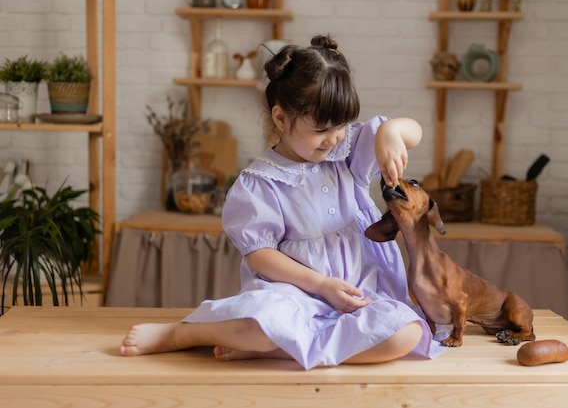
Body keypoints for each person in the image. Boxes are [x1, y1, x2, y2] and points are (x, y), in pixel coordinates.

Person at [119, 35, 435, 370]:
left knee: (407, 334)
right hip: (294, 295)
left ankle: (281, 350)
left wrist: (389, 133)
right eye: (322, 129)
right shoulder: (260, 183)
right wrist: (321, 285)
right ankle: (184, 334)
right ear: (281, 119)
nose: (335, 137)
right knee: (261, 325)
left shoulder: (346, 154)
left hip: (356, 291)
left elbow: (412, 131)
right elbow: (259, 255)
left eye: (341, 125)